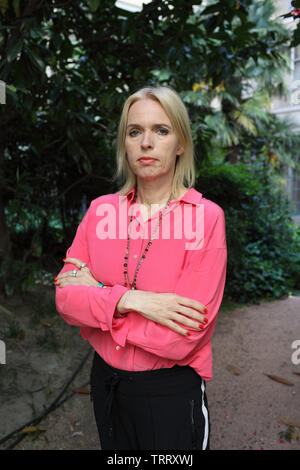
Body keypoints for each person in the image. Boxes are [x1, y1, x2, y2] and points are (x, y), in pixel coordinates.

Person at [54, 85, 227, 451]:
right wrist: (134, 301)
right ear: (125, 143)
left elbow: (181, 336)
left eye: (161, 131)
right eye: (135, 132)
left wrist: (98, 297)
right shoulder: (101, 211)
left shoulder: (206, 219)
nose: (146, 143)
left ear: (180, 144)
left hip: (168, 394)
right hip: (106, 383)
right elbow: (66, 298)